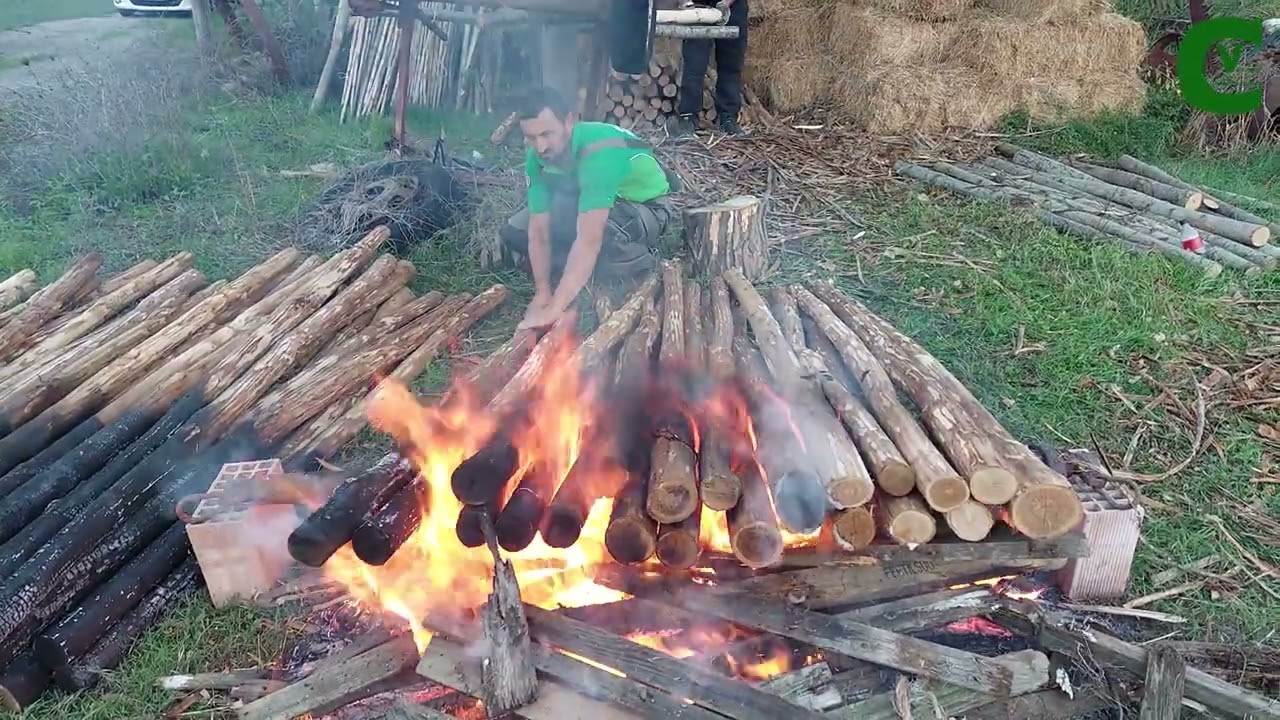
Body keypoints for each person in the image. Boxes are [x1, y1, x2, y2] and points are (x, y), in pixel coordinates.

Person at [501, 86, 677, 333]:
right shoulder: (537, 156)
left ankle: (637, 261)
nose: (540, 148)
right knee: (513, 231)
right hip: (585, 195)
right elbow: (538, 230)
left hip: (643, 206)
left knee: (601, 237)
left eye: (546, 134)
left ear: (570, 121)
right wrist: (542, 293)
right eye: (531, 138)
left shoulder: (600, 151)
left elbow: (588, 240)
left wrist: (555, 307)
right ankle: (573, 269)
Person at [672, 0, 749, 136]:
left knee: (731, 63)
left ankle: (728, 117)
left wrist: (726, 2)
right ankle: (688, 117)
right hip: (699, 5)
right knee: (694, 63)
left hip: (734, 6)